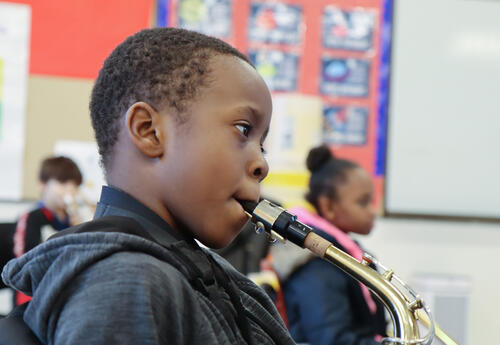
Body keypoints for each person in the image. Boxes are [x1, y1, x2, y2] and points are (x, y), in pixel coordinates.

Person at [1, 27, 294, 345]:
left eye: (261, 145)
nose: (262, 164)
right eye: (243, 129)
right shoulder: (123, 282)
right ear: (148, 131)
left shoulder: (205, 272)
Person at [270, 145, 387, 345]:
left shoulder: (345, 250)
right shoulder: (315, 262)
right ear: (328, 206)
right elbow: (331, 340)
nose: (373, 211)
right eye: (363, 202)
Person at [11, 155, 83, 306]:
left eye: (75, 185)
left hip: (62, 289)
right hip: (32, 293)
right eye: (63, 183)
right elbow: (25, 262)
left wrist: (80, 229)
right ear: (42, 185)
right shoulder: (31, 217)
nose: (70, 190)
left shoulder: (73, 221)